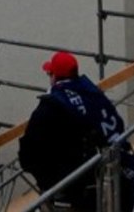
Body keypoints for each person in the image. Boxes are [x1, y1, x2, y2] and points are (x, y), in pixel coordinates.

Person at [18, 52, 120, 211]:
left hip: (65, 190)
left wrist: (44, 179)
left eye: (49, 73)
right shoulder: (93, 95)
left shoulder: (49, 107)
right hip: (100, 182)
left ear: (54, 77)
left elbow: (27, 155)